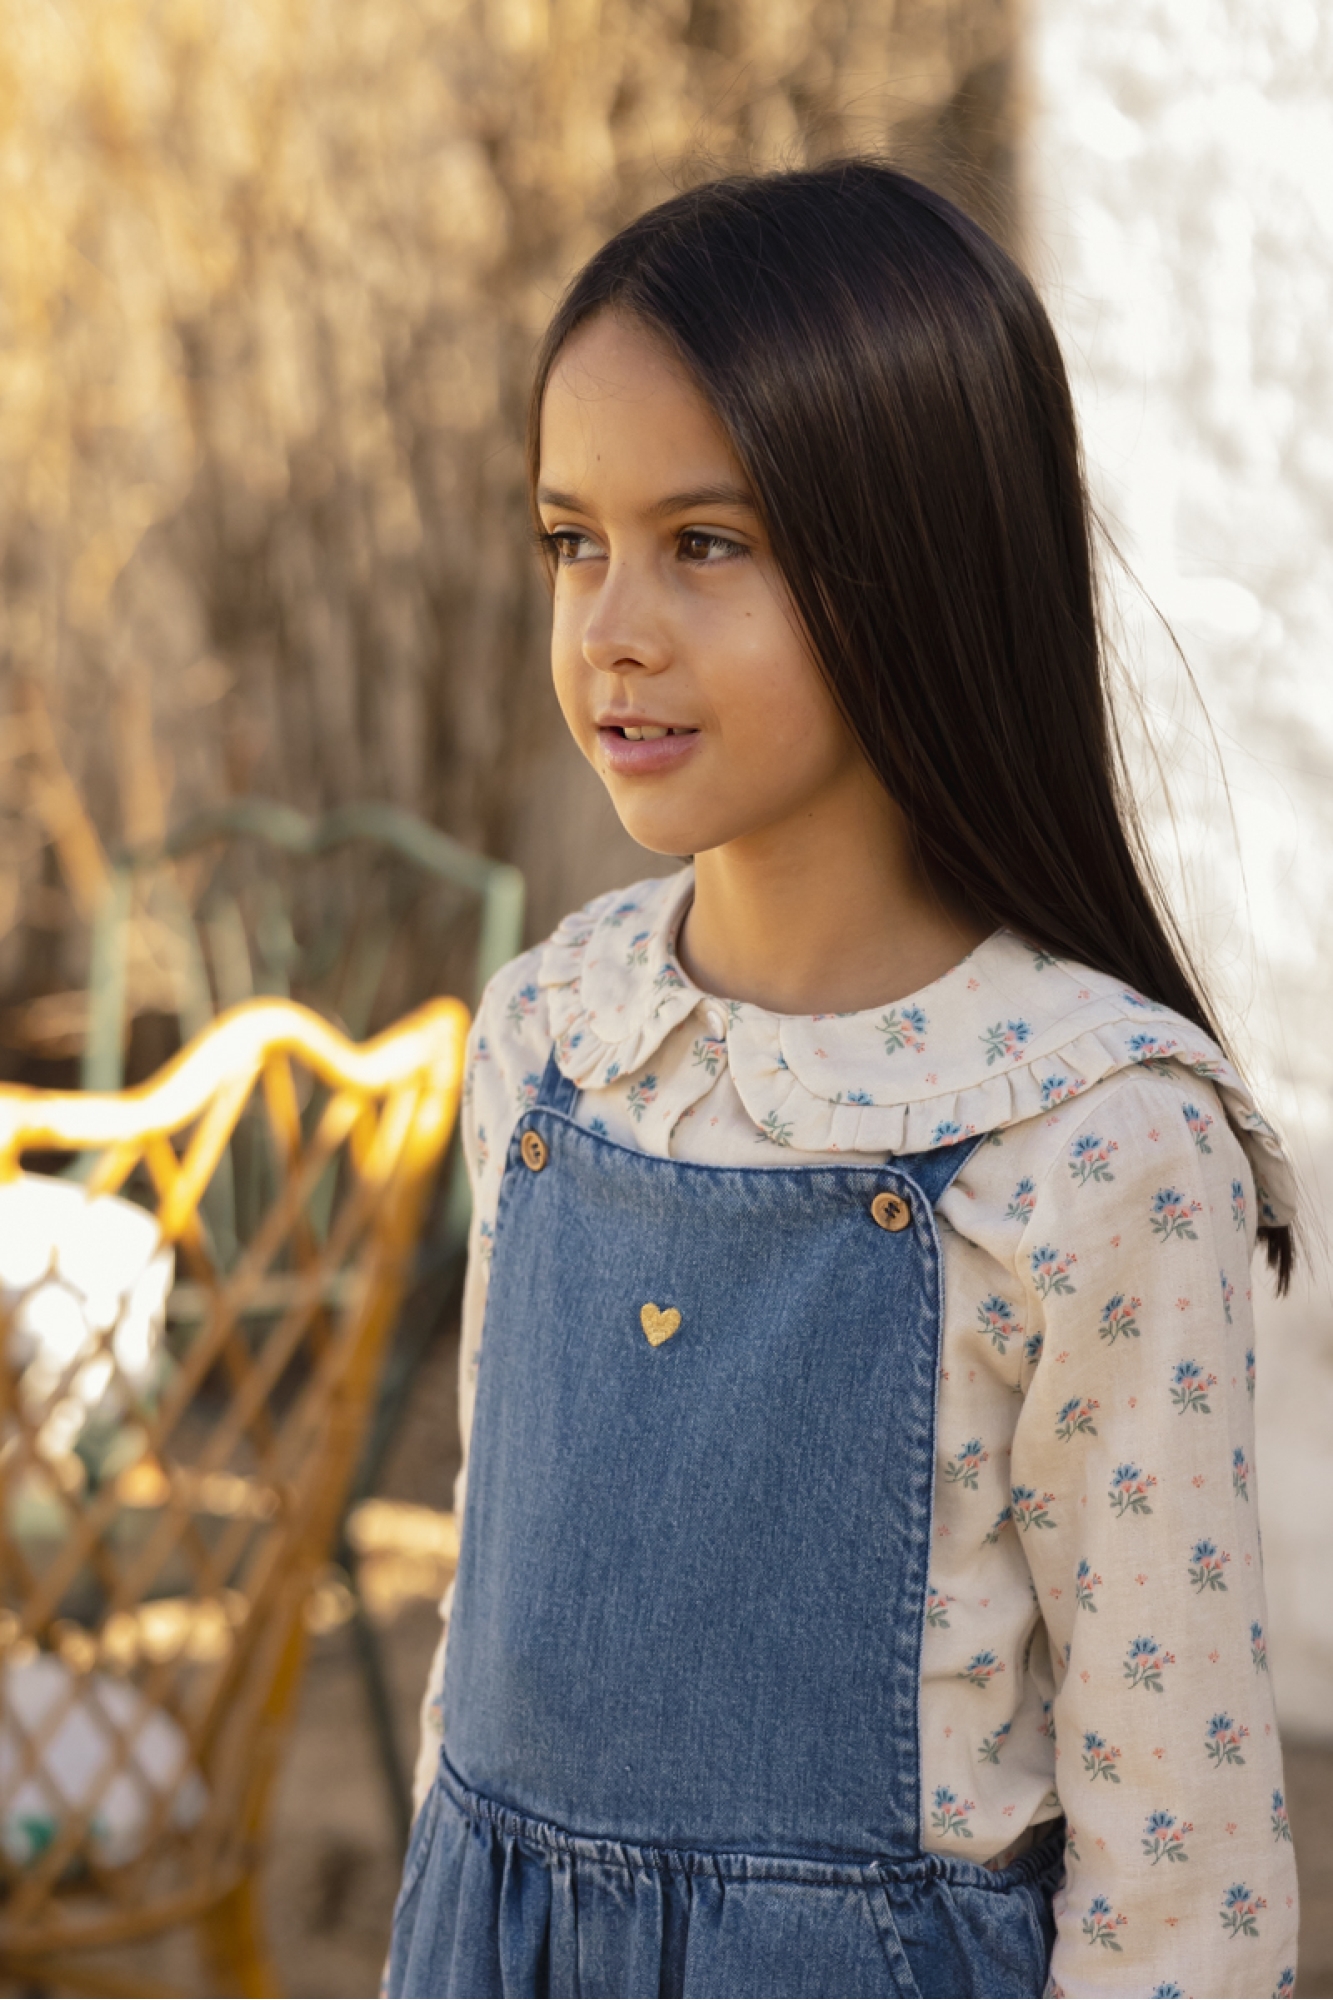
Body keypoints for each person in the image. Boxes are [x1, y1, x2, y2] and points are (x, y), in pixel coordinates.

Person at [387, 163, 1299, 1999]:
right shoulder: (550, 1039)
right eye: (573, 539)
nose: (611, 625)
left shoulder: (1092, 1141)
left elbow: (1179, 1863)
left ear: (921, 556)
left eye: (704, 542)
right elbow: (486, 1634)